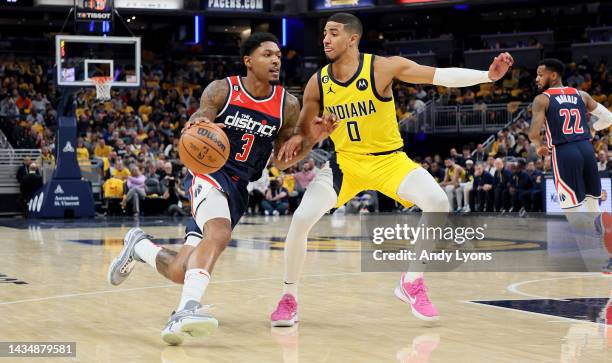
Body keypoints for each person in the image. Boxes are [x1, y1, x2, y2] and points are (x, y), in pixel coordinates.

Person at [271, 12, 513, 325]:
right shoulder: (318, 82)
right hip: (346, 162)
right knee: (301, 218)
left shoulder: (382, 68)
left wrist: (487, 76)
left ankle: (412, 281)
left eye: (333, 33)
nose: (325, 40)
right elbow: (302, 139)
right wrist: (311, 137)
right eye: (324, 34)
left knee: (438, 201)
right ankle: (289, 297)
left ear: (352, 38)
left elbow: (437, 75)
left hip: (389, 160)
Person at [106, 32, 335, 345]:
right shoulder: (223, 90)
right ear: (248, 61)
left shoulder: (287, 105)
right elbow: (200, 118)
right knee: (219, 233)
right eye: (267, 54)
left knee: (179, 270)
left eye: (278, 56)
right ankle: (186, 310)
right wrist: (198, 125)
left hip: (240, 188)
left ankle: (140, 246)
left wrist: (311, 139)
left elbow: (281, 162)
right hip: (210, 172)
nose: (275, 60)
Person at [528, 58, 612, 272]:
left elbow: (532, 133)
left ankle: (590, 260)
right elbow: (608, 118)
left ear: (553, 75)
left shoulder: (542, 99)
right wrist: (593, 129)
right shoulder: (581, 95)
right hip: (586, 149)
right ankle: (606, 259)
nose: (537, 78)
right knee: (593, 207)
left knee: (572, 212)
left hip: (564, 152)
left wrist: (538, 146)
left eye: (540, 74)